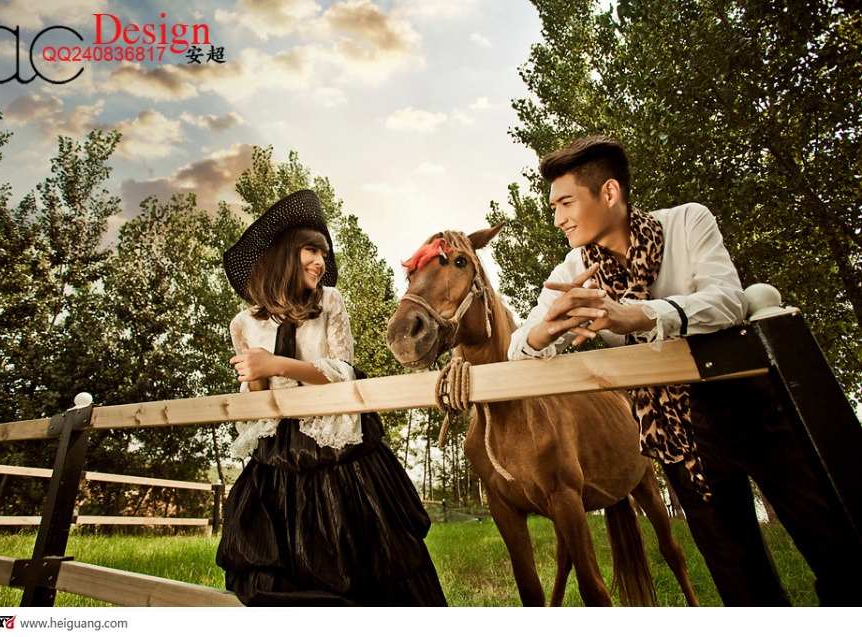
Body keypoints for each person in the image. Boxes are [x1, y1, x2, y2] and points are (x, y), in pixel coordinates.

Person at [507, 135, 862, 606]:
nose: (557, 219)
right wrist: (545, 330)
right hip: (673, 428)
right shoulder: (571, 269)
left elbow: (728, 300)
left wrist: (640, 315)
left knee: (836, 546)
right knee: (736, 573)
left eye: (566, 203)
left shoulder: (687, 222)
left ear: (609, 192)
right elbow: (518, 348)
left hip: (748, 404)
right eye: (553, 207)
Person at [217, 189, 447, 606]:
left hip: (335, 442)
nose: (321, 261)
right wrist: (255, 377)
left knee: (363, 552)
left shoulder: (329, 302)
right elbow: (256, 403)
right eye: (311, 250)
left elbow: (342, 372)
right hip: (278, 449)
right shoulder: (243, 323)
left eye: (323, 253)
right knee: (279, 557)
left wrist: (276, 364)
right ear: (285, 253)